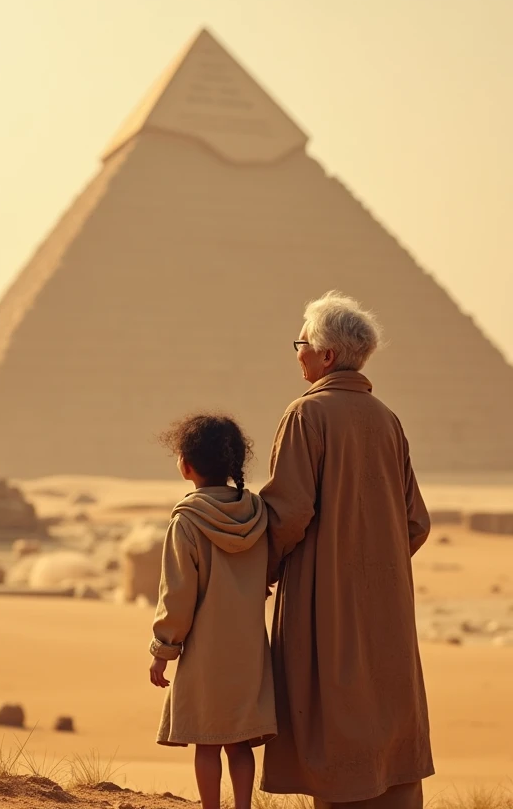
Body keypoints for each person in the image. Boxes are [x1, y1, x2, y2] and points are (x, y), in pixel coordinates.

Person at [260, 291, 434, 809]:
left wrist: (263, 572)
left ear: (327, 356)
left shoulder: (306, 416)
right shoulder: (388, 421)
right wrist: (375, 562)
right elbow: (415, 522)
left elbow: (288, 513)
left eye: (302, 344)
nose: (298, 354)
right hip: (387, 603)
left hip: (324, 597)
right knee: (388, 709)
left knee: (331, 715)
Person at [149, 414, 277, 809]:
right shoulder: (258, 514)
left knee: (206, 742)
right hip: (250, 649)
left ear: (186, 465)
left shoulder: (187, 521)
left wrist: (162, 651)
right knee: (240, 743)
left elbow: (178, 597)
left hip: (205, 652)